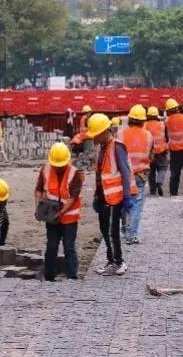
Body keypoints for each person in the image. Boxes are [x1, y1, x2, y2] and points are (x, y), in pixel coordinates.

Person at [88, 113, 131, 276]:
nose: (93, 138)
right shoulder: (103, 148)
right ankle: (111, 260)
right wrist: (96, 196)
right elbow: (101, 175)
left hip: (113, 198)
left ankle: (119, 262)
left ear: (104, 131)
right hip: (103, 197)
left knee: (112, 231)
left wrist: (126, 196)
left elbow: (125, 172)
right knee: (105, 229)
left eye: (95, 134)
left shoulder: (117, 146)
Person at [35, 142, 84, 281]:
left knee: (69, 247)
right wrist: (38, 207)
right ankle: (49, 276)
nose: (57, 168)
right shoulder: (46, 169)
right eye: (55, 165)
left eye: (60, 165)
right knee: (51, 246)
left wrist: (60, 213)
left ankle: (72, 277)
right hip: (51, 217)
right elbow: (38, 189)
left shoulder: (75, 173)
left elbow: (73, 197)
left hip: (69, 218)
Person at [119, 105, 152, 244]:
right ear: (143, 120)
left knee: (123, 201)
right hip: (140, 174)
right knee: (136, 205)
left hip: (124, 174)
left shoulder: (121, 134)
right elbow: (151, 155)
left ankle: (124, 228)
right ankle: (131, 236)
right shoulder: (148, 135)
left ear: (130, 118)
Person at [145, 106, 169, 196]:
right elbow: (166, 137)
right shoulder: (162, 125)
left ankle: (152, 191)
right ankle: (159, 182)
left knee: (151, 173)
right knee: (162, 168)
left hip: (149, 153)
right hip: (161, 151)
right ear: (157, 115)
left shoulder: (144, 125)